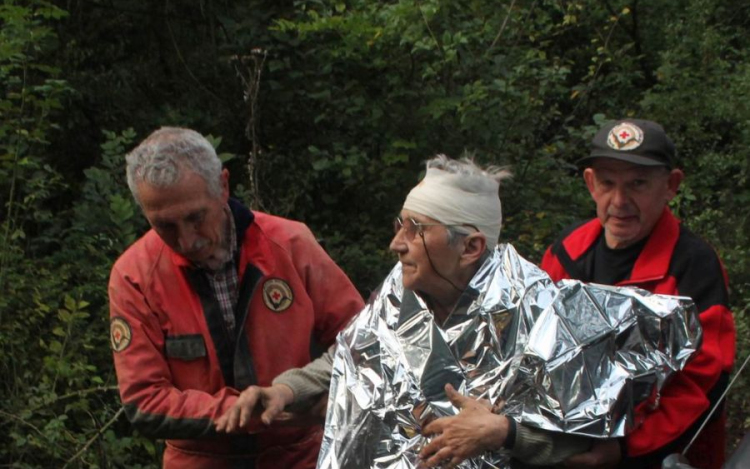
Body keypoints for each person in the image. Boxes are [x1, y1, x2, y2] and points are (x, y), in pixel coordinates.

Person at [216, 155, 592, 468]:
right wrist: (283, 390)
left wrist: (504, 433)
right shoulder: (403, 290)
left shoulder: (538, 315)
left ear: (471, 247)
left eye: (417, 230)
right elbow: (350, 354)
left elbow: (588, 443)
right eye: (401, 225)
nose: (397, 244)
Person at [108, 127, 364, 469]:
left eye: (196, 217)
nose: (187, 240)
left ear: (223, 186)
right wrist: (252, 411)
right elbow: (144, 402)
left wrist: (313, 397)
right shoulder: (134, 276)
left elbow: (361, 341)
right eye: (165, 225)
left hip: (298, 458)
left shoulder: (289, 245)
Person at [541, 118, 736, 469]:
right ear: (590, 184)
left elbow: (705, 383)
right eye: (607, 183)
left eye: (638, 184)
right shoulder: (565, 253)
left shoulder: (693, 266)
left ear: (671, 185)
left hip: (663, 457)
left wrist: (625, 450)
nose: (619, 200)